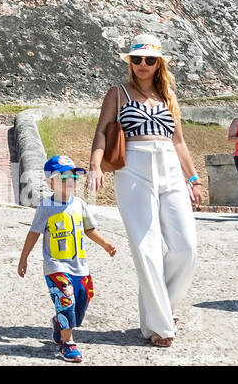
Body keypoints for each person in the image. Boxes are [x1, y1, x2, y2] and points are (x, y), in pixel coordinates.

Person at [89, 34, 200, 347]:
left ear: (159, 63)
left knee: (186, 247)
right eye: (136, 59)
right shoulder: (118, 93)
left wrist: (194, 180)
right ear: (130, 62)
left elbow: (179, 142)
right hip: (133, 167)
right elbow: (101, 131)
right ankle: (161, 326)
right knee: (146, 248)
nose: (142, 65)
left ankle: (163, 306)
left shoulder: (168, 96)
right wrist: (95, 165)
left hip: (170, 168)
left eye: (149, 59)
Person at [18, 155, 117, 363]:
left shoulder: (80, 204)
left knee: (83, 300)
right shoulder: (46, 207)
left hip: (79, 266)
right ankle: (67, 343)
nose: (71, 180)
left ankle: (59, 323)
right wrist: (23, 258)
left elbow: (90, 230)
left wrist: (106, 244)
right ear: (51, 181)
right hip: (55, 266)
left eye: (74, 176)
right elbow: (34, 233)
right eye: (64, 177)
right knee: (66, 298)